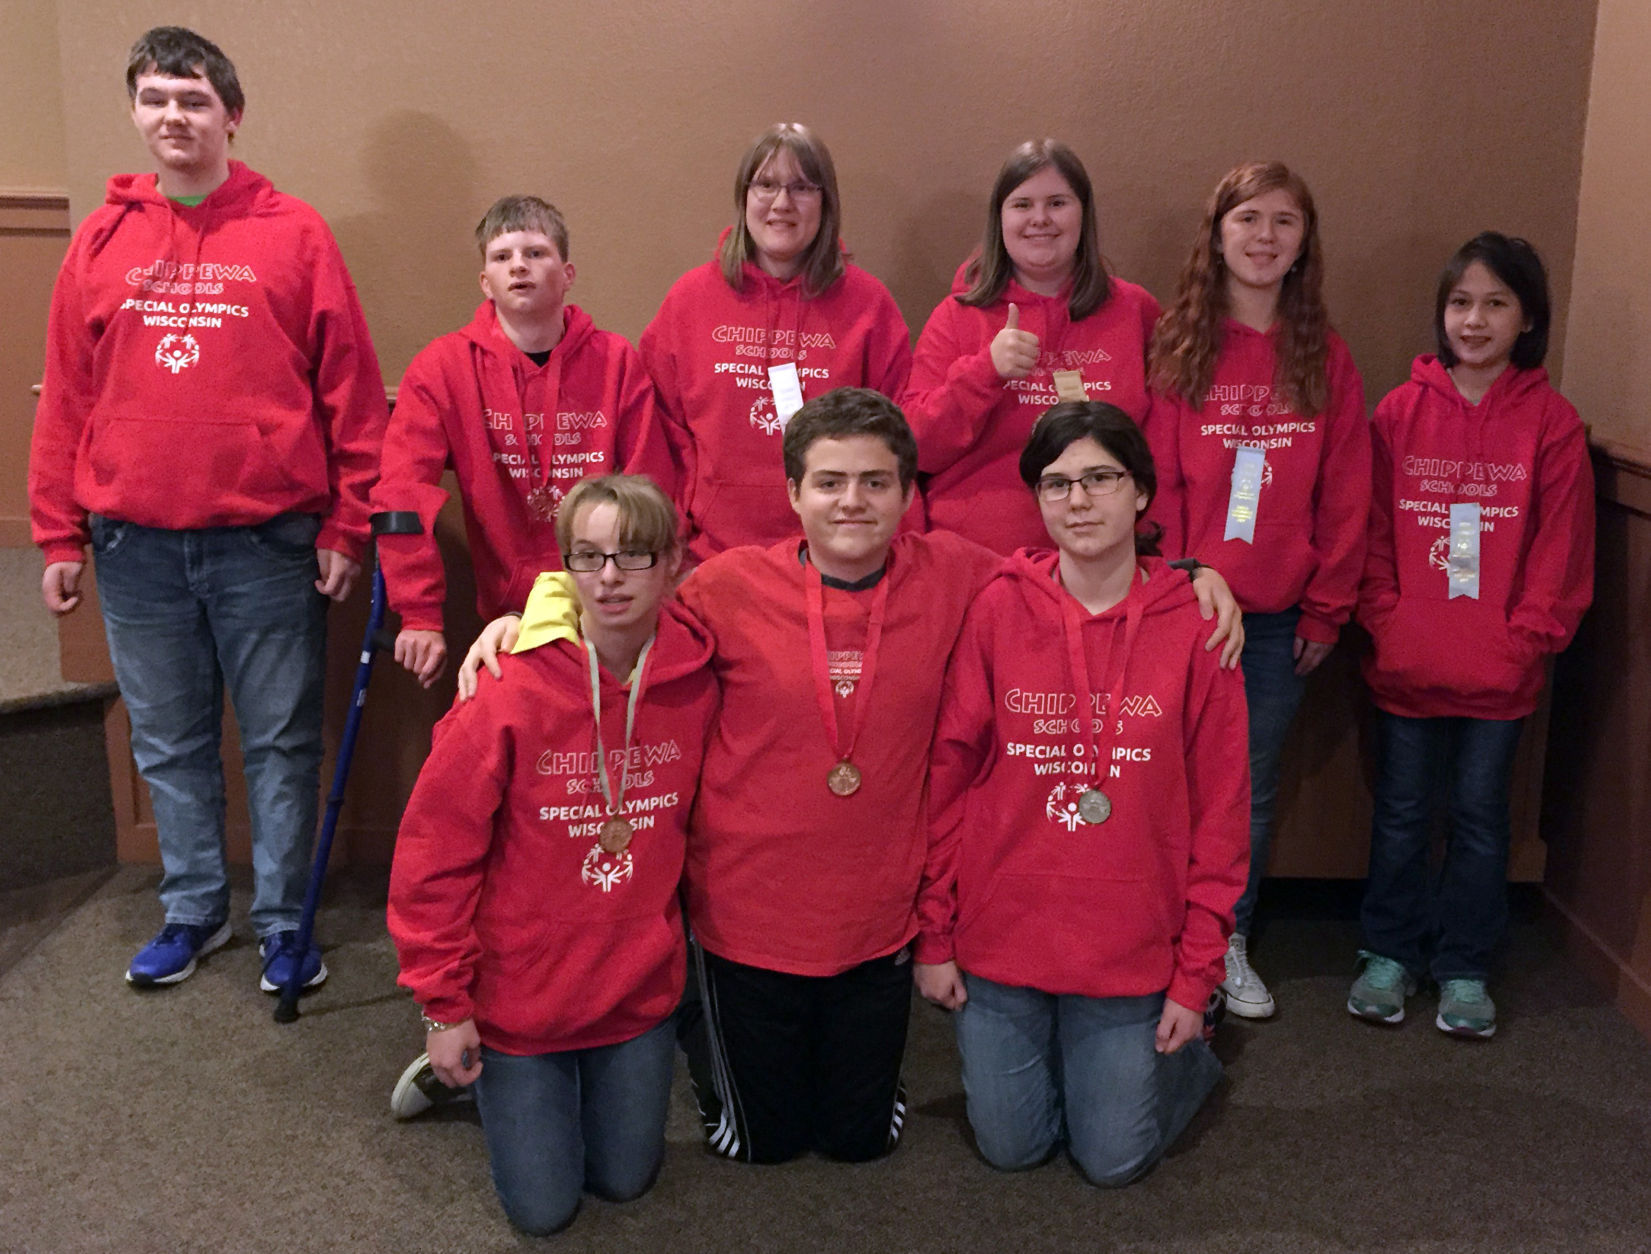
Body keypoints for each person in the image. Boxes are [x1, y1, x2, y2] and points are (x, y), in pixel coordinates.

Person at [462, 388, 1244, 1166]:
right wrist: (535, 610)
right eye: (829, 482)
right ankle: (674, 1038)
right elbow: (619, 599)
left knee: (857, 1144)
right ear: (793, 494)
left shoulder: (965, 579)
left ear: (908, 494)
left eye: (875, 482)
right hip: (748, 913)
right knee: (761, 1147)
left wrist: (1188, 572)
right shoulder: (725, 588)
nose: (852, 501)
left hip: (878, 917)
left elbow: (1076, 565)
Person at [27, 27, 387, 993]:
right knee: (170, 742)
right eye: (155, 99)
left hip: (268, 544)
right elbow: (66, 395)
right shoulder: (100, 240)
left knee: (279, 740)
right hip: (134, 544)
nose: (173, 117)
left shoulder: (295, 233)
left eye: (192, 99)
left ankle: (282, 922)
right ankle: (192, 911)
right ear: (137, 116)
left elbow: (350, 391)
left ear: (231, 114)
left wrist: (349, 525)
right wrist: (57, 531)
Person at [914, 401, 1249, 1185]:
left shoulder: (1197, 623)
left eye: (1100, 478)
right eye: (1056, 483)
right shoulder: (997, 606)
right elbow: (949, 777)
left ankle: (1183, 1055)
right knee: (1011, 1148)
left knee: (1112, 1161)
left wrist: (1195, 976)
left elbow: (1224, 812)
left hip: (1131, 943)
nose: (1077, 500)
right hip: (1005, 935)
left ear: (1140, 492)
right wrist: (935, 933)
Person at [387, 475, 717, 1235]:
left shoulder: (701, 677)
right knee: (544, 1211)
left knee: (625, 1182)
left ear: (673, 563)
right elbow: (432, 859)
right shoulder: (506, 690)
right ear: (563, 568)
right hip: (518, 1000)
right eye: (588, 556)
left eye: (633, 556)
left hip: (633, 990)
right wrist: (443, 1006)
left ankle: (511, 1091)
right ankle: (472, 1073)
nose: (608, 578)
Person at [1351, 233, 1593, 1039]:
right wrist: (1386, 618)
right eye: (1460, 302)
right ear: (1440, 314)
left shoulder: (1551, 426)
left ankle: (1462, 966)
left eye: (1495, 303)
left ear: (1527, 318)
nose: (1474, 319)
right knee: (1401, 811)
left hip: (1500, 673)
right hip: (1407, 661)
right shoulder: (1397, 411)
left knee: (1482, 816)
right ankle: (1388, 952)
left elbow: (1558, 546)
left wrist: (1524, 637)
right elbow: (1374, 531)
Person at [1145, 162, 1370, 1019]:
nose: (1264, 236)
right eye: (1247, 218)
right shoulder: (1178, 345)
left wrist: (1327, 606)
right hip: (1186, 605)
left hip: (1279, 618)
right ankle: (1163, 937)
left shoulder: (1326, 356)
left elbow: (1346, 490)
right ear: (1217, 233)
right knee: (1166, 776)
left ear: (1303, 242)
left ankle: (1225, 939)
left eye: (1284, 221)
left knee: (1249, 782)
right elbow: (1157, 482)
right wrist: (1178, 575)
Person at [371, 194, 671, 688]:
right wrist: (419, 612)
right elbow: (401, 494)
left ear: (568, 273)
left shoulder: (617, 362)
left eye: (536, 252)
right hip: (504, 615)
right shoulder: (442, 368)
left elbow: (650, 489)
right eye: (503, 256)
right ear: (485, 282)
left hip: (609, 605)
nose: (519, 267)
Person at [639, 123, 913, 562]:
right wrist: (672, 542)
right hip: (710, 557)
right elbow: (659, 436)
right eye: (766, 184)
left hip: (835, 557)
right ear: (744, 197)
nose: (782, 203)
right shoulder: (689, 300)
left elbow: (897, 440)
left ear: (826, 203)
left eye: (802, 187)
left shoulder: (868, 306)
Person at [904, 139, 1160, 554]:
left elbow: (1163, 448)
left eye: (1057, 203)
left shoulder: (1135, 311)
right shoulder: (956, 317)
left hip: (1104, 560)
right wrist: (984, 373)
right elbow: (915, 448)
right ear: (999, 219)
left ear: (1083, 213)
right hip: (979, 559)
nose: (1040, 219)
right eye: (1022, 205)